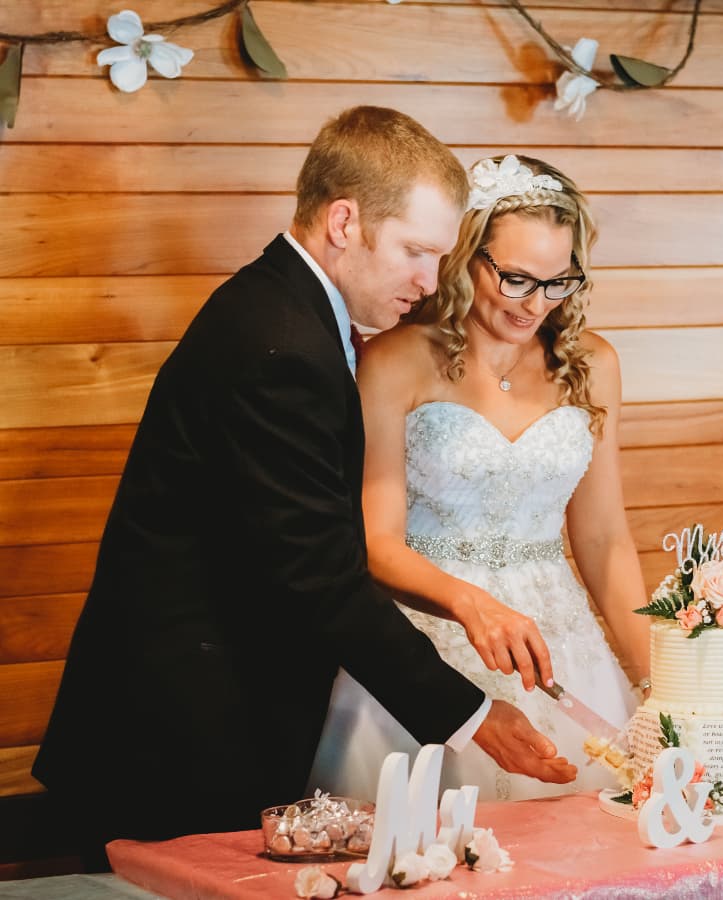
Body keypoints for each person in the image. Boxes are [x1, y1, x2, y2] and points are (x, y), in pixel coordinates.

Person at [31, 113, 576, 869]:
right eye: (417, 252)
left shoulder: (283, 310)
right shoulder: (281, 345)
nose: (430, 281)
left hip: (204, 713)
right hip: (179, 733)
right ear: (344, 222)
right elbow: (318, 575)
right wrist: (473, 714)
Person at [308, 154, 651, 802]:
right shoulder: (394, 362)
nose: (536, 304)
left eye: (558, 281)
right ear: (467, 254)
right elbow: (376, 544)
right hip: (429, 640)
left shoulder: (593, 364)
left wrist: (656, 683)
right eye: (516, 279)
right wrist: (472, 605)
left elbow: (605, 539)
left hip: (562, 646)